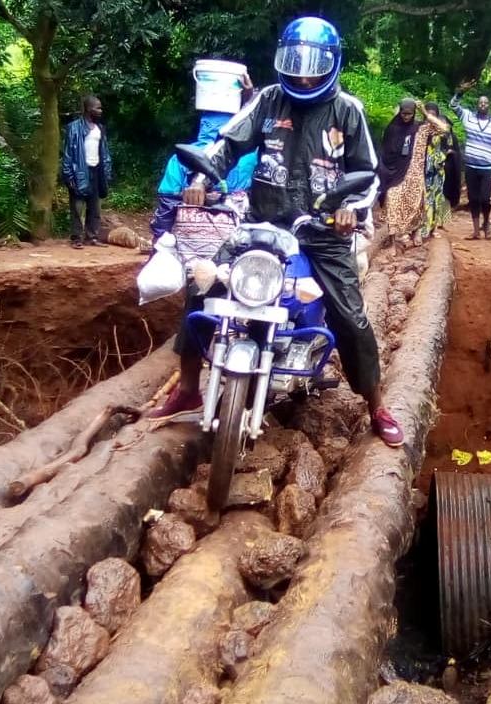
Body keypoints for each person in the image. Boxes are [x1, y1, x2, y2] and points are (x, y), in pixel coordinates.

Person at [150, 16, 404, 447]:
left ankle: (376, 404)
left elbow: (367, 173)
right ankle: (191, 386)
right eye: (294, 62)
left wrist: (349, 208)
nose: (303, 74)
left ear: (332, 63)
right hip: (262, 224)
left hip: (322, 232)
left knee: (351, 317)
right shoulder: (269, 100)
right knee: (203, 283)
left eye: (313, 65)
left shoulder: (347, 109)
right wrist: (201, 181)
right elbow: (226, 145)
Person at [149, 74, 259, 243]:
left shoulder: (180, 157)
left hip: (189, 246)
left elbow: (166, 209)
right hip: (233, 247)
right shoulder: (250, 155)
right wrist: (249, 101)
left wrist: (159, 243)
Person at [377, 98, 448, 245]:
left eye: (409, 114)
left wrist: (425, 113)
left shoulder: (421, 129)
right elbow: (385, 152)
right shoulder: (393, 128)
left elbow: (443, 129)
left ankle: (416, 232)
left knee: (417, 203)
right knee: (392, 200)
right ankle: (392, 239)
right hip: (395, 174)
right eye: (403, 114)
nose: (406, 117)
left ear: (414, 113)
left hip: (415, 172)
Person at [450, 87, 491, 240]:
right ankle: (475, 230)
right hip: (471, 166)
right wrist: (459, 92)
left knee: (486, 199)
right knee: (473, 199)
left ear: (489, 106)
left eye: (486, 103)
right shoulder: (468, 118)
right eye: (480, 103)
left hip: (486, 167)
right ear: (477, 105)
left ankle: (486, 224)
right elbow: (453, 106)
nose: (483, 105)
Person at [62, 96, 113, 249]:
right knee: (77, 207)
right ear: (88, 109)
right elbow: (68, 153)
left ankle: (92, 237)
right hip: (79, 171)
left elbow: (104, 151)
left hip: (96, 170)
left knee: (95, 206)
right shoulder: (74, 127)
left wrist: (107, 170)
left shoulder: (100, 128)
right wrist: (68, 174)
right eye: (98, 108)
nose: (100, 111)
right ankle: (77, 238)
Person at [419, 102, 453, 239]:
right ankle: (423, 229)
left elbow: (448, 143)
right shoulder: (420, 129)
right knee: (424, 199)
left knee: (436, 198)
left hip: (437, 169)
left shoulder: (441, 130)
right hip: (422, 169)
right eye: (427, 114)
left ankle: (433, 228)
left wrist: (441, 158)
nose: (429, 118)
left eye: (433, 115)